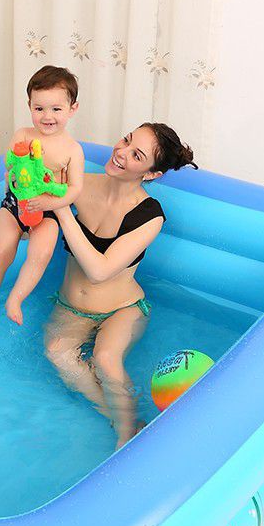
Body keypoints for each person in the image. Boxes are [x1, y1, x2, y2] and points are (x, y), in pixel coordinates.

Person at [44, 123, 197, 448]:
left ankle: (125, 437)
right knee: (57, 354)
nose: (121, 153)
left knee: (105, 359)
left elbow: (99, 271)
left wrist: (62, 209)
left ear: (151, 173)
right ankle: (118, 418)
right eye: (126, 140)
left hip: (122, 309)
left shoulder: (150, 216)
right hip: (71, 306)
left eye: (136, 155)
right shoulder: (80, 185)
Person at [0, 65, 85, 326]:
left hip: (48, 210)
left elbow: (75, 188)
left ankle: (15, 299)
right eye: (39, 108)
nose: (47, 116)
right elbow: (10, 168)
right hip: (15, 205)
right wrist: (17, 175)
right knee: (0, 252)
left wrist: (49, 201)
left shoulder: (73, 150)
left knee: (41, 254)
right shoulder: (23, 135)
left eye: (56, 109)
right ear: (29, 105)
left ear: (72, 109)